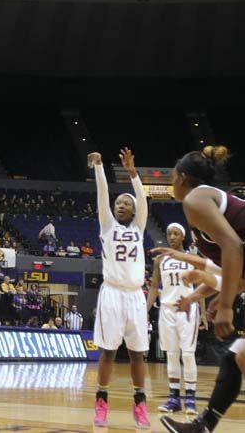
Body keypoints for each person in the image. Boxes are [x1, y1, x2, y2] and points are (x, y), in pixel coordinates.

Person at [158, 146, 245, 433]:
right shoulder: (207, 203)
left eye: (172, 178)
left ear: (182, 178)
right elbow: (236, 270)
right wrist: (210, 296)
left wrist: (227, 305)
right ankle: (203, 427)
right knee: (237, 358)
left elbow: (234, 247)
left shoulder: (196, 199)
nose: (172, 184)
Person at [88, 148, 150, 428]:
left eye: (126, 203)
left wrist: (133, 173)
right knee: (109, 352)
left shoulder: (138, 227)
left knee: (138, 353)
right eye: (118, 203)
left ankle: (140, 405)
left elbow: (144, 201)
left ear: (135, 210)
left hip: (136, 296)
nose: (120, 205)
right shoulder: (107, 226)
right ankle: (101, 402)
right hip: (112, 294)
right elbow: (102, 195)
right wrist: (99, 168)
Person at [147, 223, 205, 415]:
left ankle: (190, 399)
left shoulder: (192, 258)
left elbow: (200, 288)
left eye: (175, 234)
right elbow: (154, 287)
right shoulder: (160, 260)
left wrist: (203, 313)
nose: (171, 237)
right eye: (169, 233)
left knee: (187, 354)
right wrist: (144, 310)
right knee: (171, 354)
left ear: (182, 237)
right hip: (167, 310)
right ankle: (174, 399)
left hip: (187, 309)